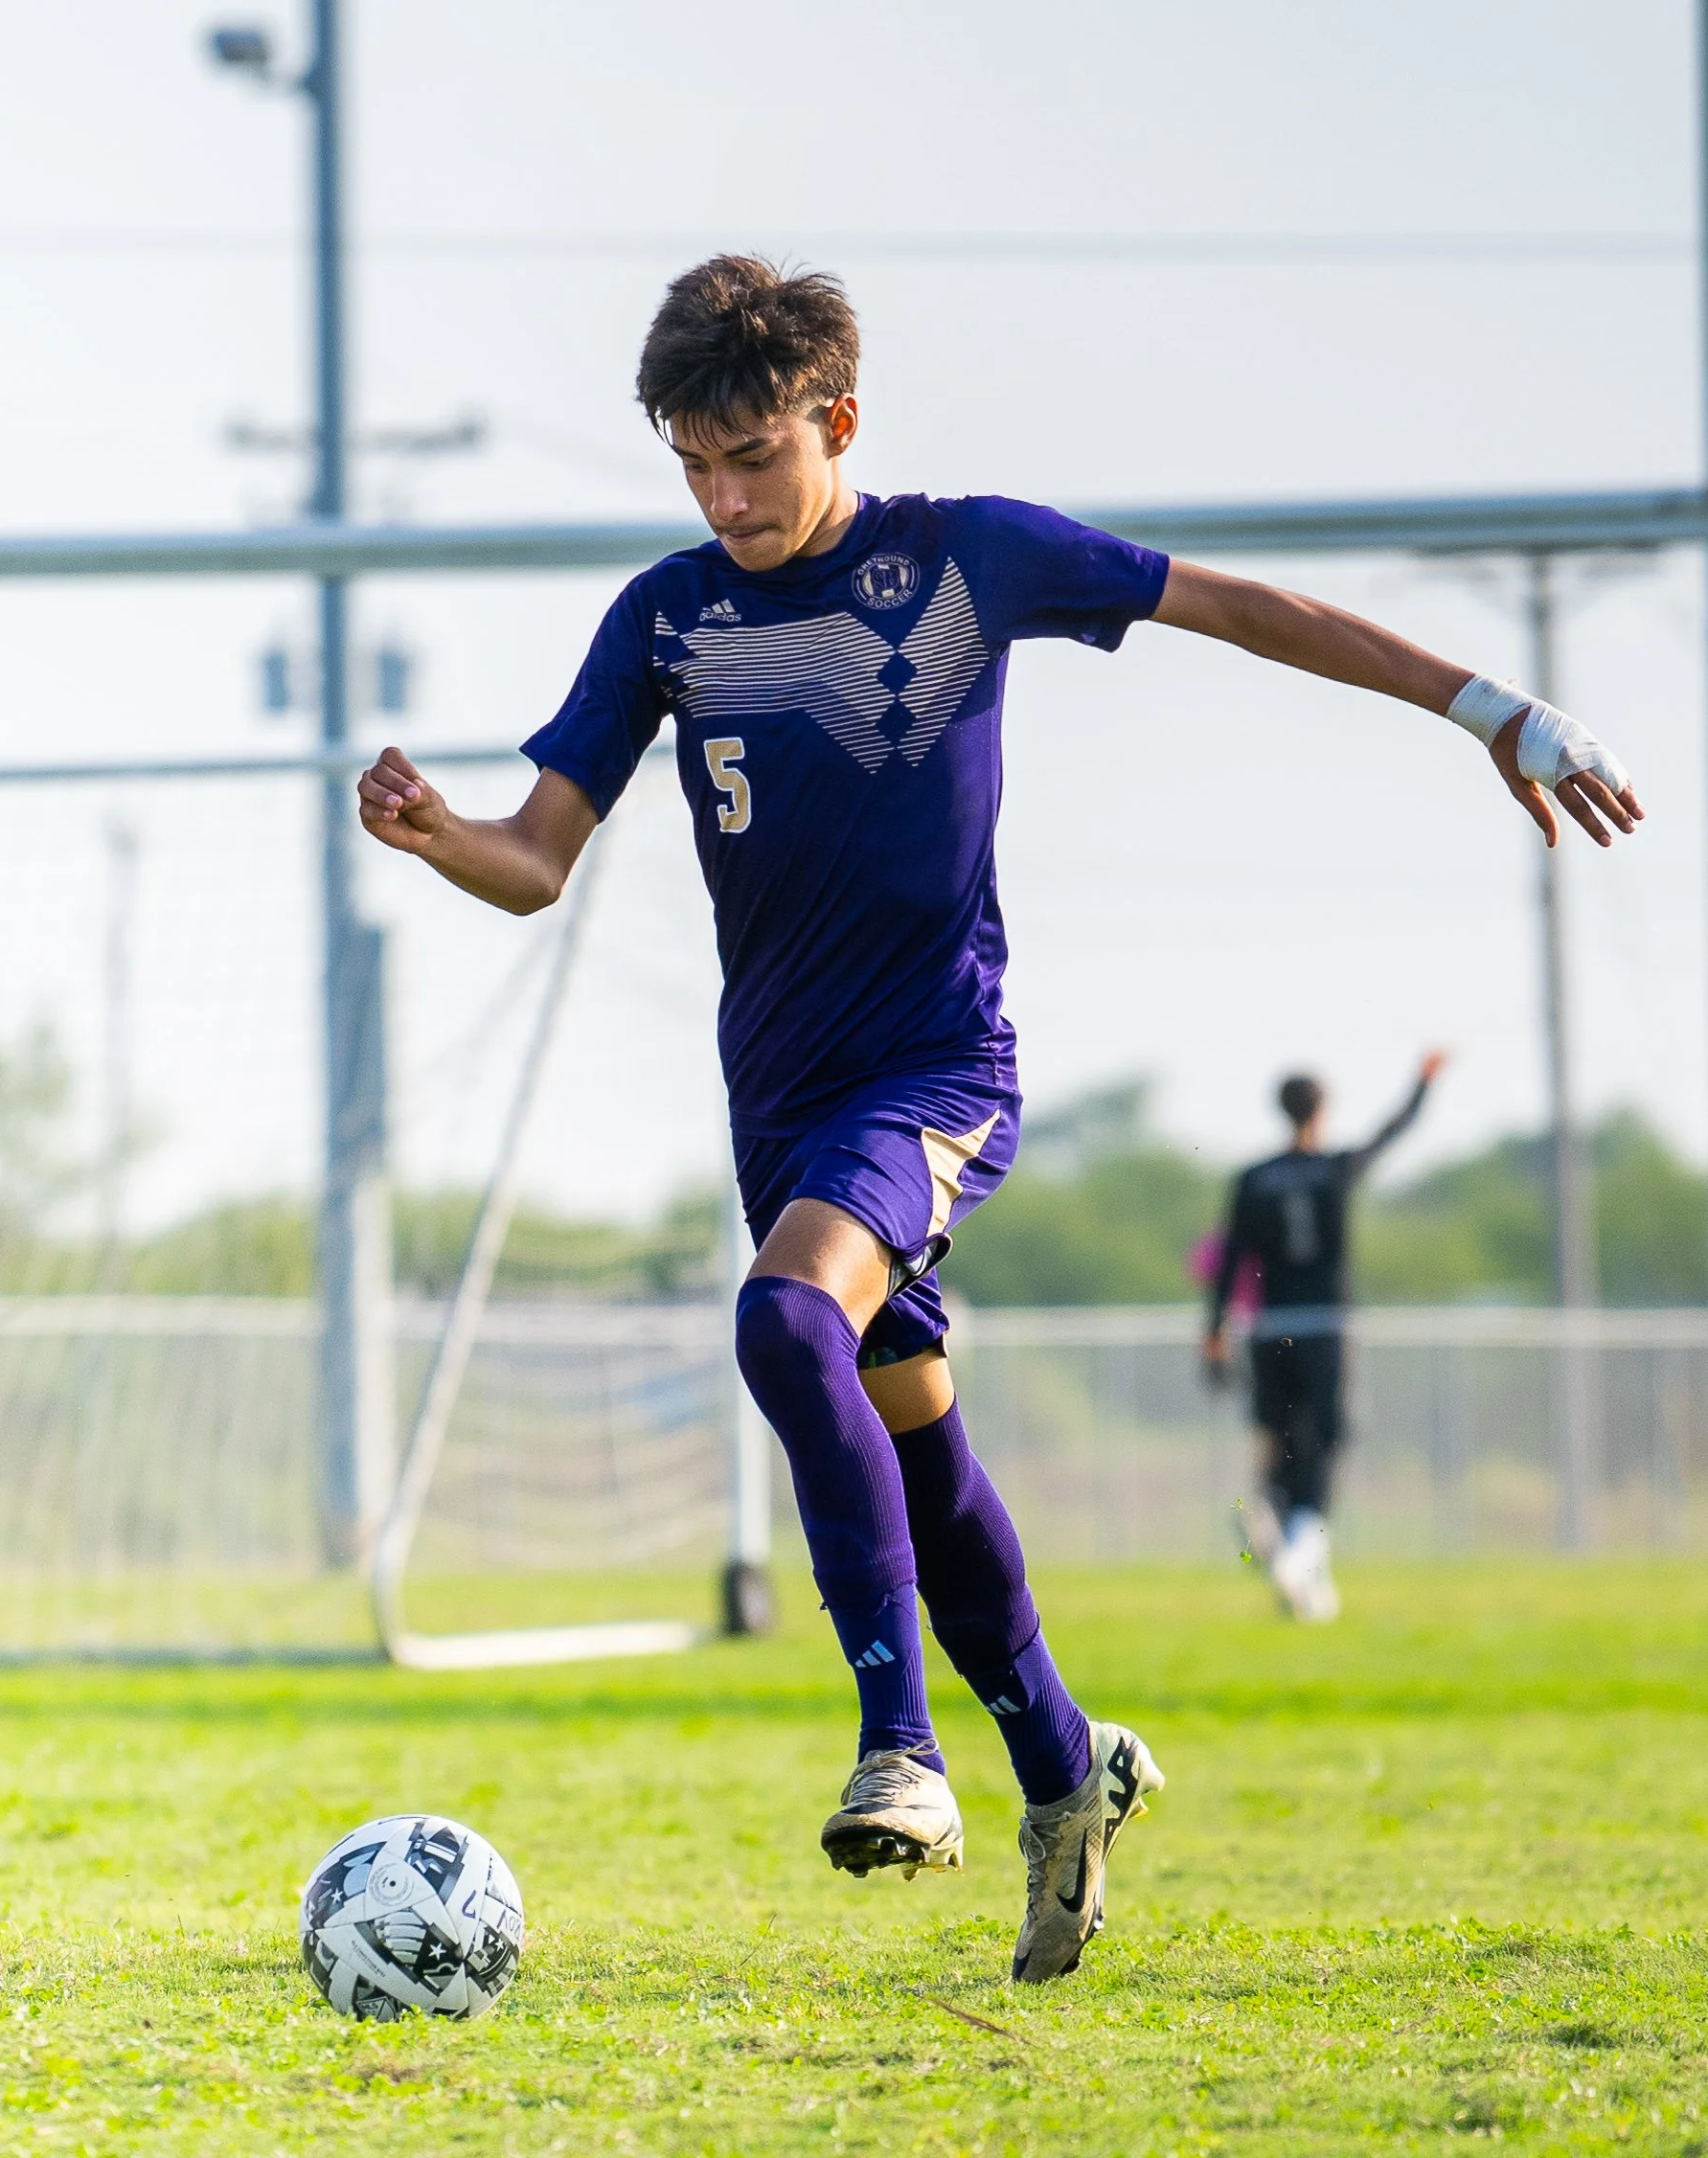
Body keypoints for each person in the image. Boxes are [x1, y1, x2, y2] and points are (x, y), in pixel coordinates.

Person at [354, 257, 1641, 1984]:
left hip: (935, 1073)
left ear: (838, 420)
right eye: (694, 466)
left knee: (784, 1319)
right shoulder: (667, 616)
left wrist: (1488, 705)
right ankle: (1066, 1762)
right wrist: (439, 832)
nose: (725, 498)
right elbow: (534, 862)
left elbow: (1237, 608)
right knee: (914, 1444)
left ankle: (899, 1745)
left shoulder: (968, 560)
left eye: (753, 456)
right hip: (780, 1102)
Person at [1203, 1055, 1447, 1620]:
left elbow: (1231, 1258)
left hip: (1270, 1329)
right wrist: (1423, 1083)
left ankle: (1282, 1532)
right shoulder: (1335, 1169)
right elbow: (1391, 1133)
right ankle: (1298, 1543)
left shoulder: (1254, 1178)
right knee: (1327, 1438)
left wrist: (1214, 1329)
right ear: (1323, 1110)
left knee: (1282, 1435)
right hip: (1326, 1326)